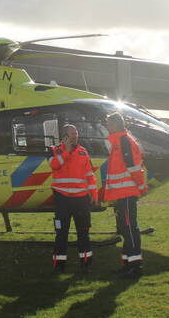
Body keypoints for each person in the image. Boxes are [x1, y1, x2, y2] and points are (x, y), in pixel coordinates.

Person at [102, 112, 148, 278]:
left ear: (115, 124)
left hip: (127, 193)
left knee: (129, 228)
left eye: (108, 123)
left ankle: (135, 267)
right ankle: (128, 264)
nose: (107, 126)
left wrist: (141, 187)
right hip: (122, 194)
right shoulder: (119, 141)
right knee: (125, 229)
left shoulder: (123, 141)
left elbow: (134, 167)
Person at [48, 124, 98, 273]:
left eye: (76, 134)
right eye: (72, 134)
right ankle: (59, 264)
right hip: (62, 198)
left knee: (83, 232)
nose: (75, 136)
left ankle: (85, 263)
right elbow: (54, 165)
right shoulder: (54, 150)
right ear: (64, 136)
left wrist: (94, 194)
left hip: (81, 199)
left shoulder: (83, 151)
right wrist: (67, 153)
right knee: (61, 233)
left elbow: (90, 176)